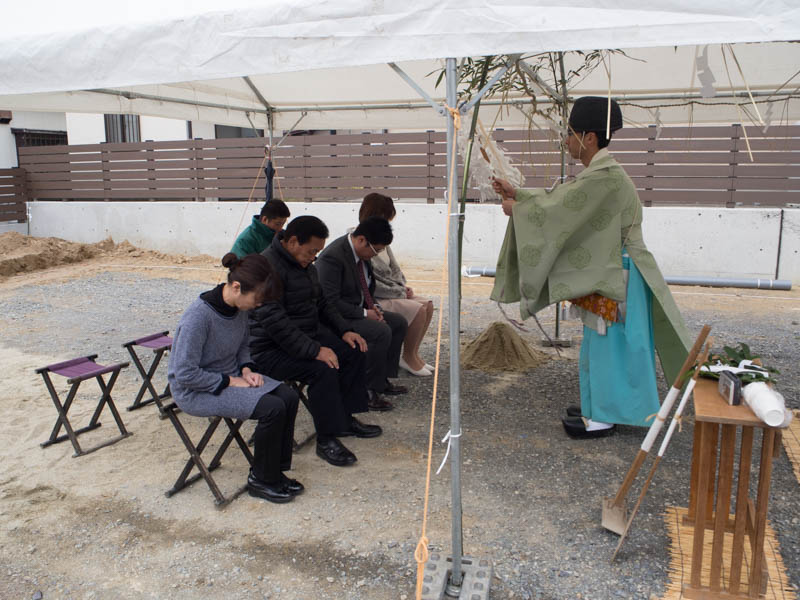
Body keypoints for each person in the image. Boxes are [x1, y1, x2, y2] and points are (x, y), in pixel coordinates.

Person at [491, 96, 691, 439]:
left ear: (590, 137)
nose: (565, 141)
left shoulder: (605, 177)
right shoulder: (601, 174)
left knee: (611, 343)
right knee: (600, 341)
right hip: (613, 268)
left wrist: (520, 210)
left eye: (570, 134)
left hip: (619, 273)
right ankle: (597, 405)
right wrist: (520, 196)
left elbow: (559, 210)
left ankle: (603, 417)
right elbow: (562, 202)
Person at [167, 252, 302, 503]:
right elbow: (184, 373)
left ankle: (274, 471)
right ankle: (261, 480)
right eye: (257, 299)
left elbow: (242, 346)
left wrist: (247, 370)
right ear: (237, 287)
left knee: (289, 396)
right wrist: (230, 381)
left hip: (229, 378)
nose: (258, 305)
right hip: (196, 391)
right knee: (272, 408)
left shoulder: (238, 307)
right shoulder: (198, 316)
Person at [250, 216, 383, 468]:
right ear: (291, 242)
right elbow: (275, 322)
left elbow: (323, 304)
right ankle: (327, 439)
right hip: (269, 348)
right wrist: (314, 350)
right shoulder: (267, 268)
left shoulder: (306, 266)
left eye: (317, 252)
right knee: (323, 369)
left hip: (303, 336)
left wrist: (344, 330)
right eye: (311, 251)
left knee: (353, 350)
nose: (314, 257)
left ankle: (345, 418)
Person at [316, 216, 409, 410]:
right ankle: (366, 390)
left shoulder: (361, 256)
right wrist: (365, 314)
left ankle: (382, 379)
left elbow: (365, 287)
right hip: (336, 319)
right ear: (361, 240)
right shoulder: (333, 257)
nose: (376, 255)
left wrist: (374, 307)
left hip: (358, 310)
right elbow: (329, 302)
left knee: (398, 323)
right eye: (376, 250)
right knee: (380, 331)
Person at [357, 192, 434, 376]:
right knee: (418, 309)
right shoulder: (364, 241)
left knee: (427, 304)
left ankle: (412, 354)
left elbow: (395, 269)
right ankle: (407, 357)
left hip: (393, 291)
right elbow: (373, 281)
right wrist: (399, 292)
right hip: (377, 297)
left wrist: (403, 286)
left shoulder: (382, 239)